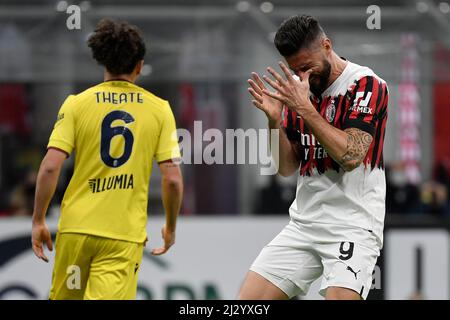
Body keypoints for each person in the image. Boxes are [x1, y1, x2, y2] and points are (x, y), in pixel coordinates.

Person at [31, 19, 183, 300]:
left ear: (103, 62)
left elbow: (51, 166)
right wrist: (170, 227)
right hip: (120, 236)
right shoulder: (160, 109)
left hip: (76, 230)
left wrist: (38, 219)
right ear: (139, 65)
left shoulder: (76, 104)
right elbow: (172, 179)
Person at [239, 15, 388, 300]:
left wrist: (304, 108)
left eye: (308, 67)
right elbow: (286, 167)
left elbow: (351, 155)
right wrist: (273, 122)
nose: (303, 77)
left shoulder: (367, 85)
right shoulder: (299, 93)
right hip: (304, 223)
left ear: (327, 46)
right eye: (296, 71)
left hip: (353, 224)